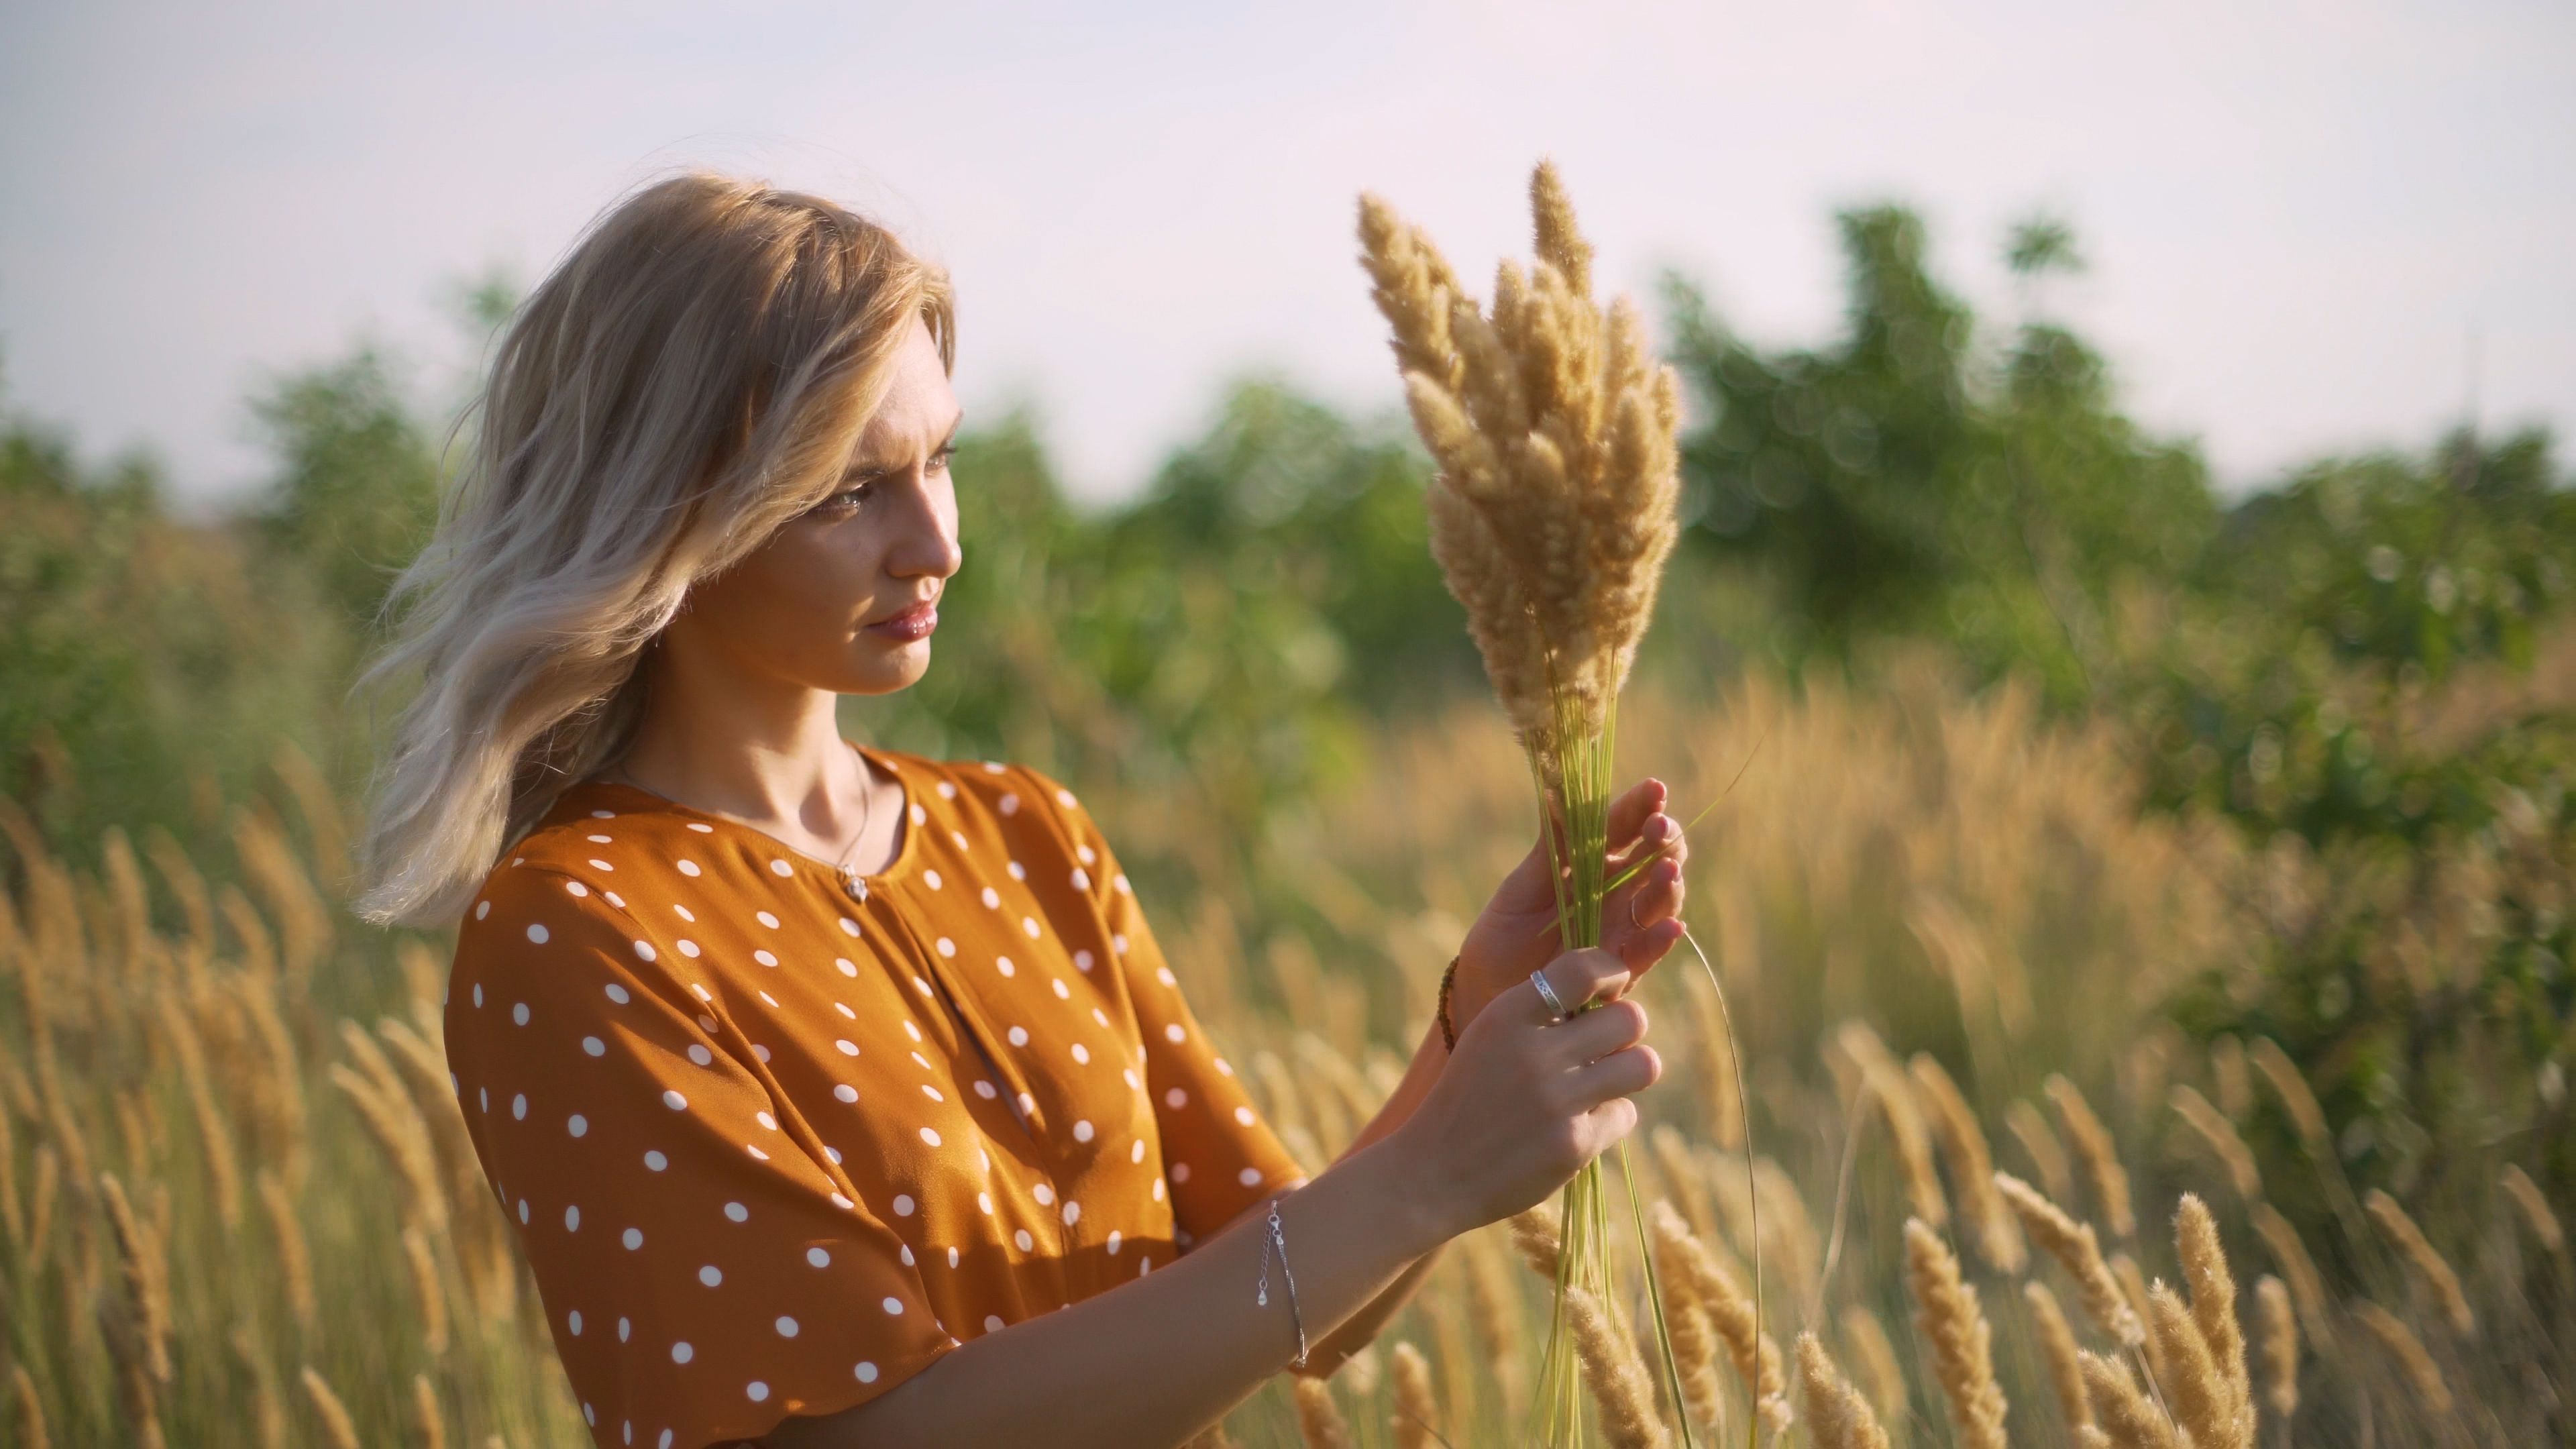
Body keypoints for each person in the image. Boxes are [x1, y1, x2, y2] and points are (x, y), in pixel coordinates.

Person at [347, 169, 1690, 1449]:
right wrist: (1426, 1178)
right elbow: (870, 1438)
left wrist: (1466, 1030)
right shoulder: (580, 930)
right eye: (851, 490)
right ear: (668, 517)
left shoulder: (1023, 833)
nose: (938, 542)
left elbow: (1263, 1281)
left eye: (939, 460)